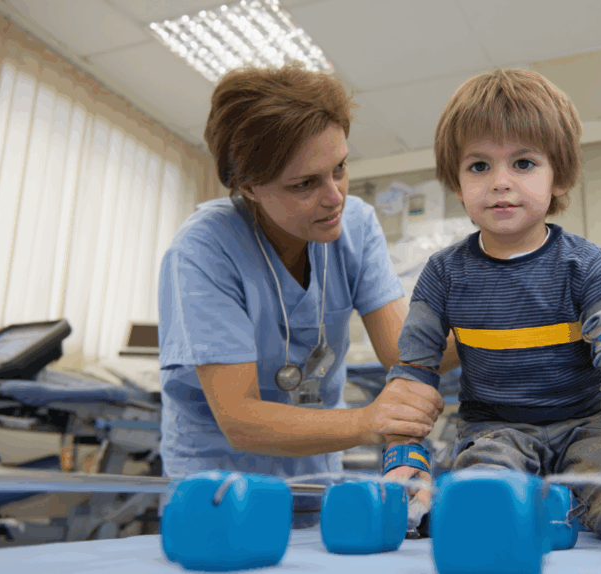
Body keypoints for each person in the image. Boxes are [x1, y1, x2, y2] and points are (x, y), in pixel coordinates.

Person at [156, 66, 462, 525]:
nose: (335, 195)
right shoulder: (203, 250)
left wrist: (506, 325)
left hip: (315, 478)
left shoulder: (355, 225)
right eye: (305, 184)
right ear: (248, 187)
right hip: (218, 486)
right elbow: (240, 418)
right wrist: (368, 421)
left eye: (339, 168)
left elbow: (405, 352)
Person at [383, 68, 601, 540]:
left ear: (558, 177)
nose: (500, 182)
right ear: (457, 184)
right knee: (483, 503)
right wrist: (405, 459)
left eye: (523, 164)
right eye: (478, 166)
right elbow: (413, 372)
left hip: (588, 424)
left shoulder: (583, 262)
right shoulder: (442, 273)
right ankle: (513, 506)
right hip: (495, 431)